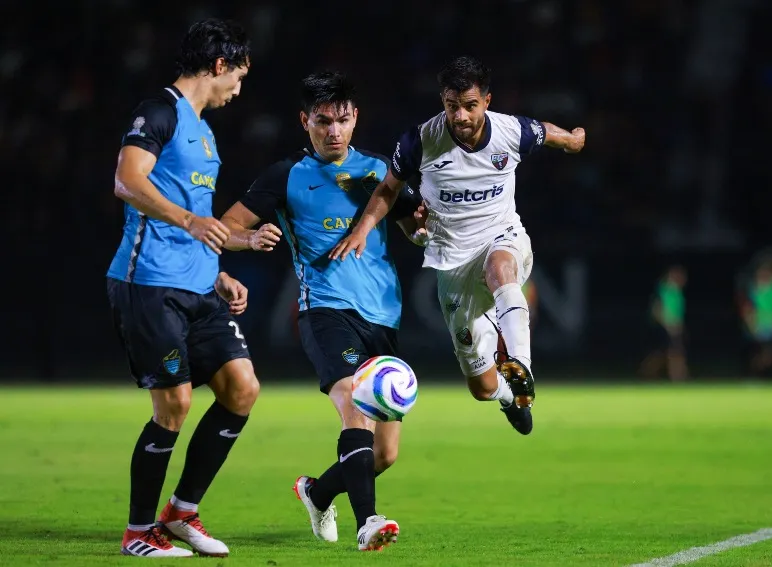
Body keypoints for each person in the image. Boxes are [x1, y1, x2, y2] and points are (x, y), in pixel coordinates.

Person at [220, 71, 425, 551]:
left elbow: (416, 231)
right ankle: (368, 522)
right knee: (353, 407)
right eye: (323, 121)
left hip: (383, 316)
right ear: (304, 121)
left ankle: (317, 493)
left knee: (384, 454)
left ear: (356, 119)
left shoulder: (379, 170)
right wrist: (250, 237)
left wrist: (423, 228)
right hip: (325, 310)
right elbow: (225, 225)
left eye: (343, 120)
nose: (334, 131)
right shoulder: (286, 175)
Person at [330, 56, 585, 435]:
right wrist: (363, 228)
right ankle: (507, 396)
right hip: (451, 263)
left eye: (470, 105)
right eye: (452, 106)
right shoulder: (420, 140)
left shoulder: (510, 131)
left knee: (500, 268)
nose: (461, 116)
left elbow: (545, 132)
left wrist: (573, 140)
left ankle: (522, 367)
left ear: (486, 101)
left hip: (501, 236)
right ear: (443, 101)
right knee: (481, 387)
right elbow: (387, 189)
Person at [106, 18, 257, 558]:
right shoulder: (160, 112)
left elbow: (198, 216)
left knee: (241, 388)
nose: (238, 88)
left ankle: (181, 513)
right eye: (238, 75)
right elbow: (127, 180)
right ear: (219, 65)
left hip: (199, 286)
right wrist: (190, 222)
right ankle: (137, 533)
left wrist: (218, 268)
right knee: (174, 404)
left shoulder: (204, 130)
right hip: (150, 283)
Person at [639, 266, 688, 381]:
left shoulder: (677, 292)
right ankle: (677, 377)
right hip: (665, 327)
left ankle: (677, 376)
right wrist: (666, 324)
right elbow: (656, 310)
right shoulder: (663, 291)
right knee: (669, 353)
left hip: (675, 327)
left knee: (671, 352)